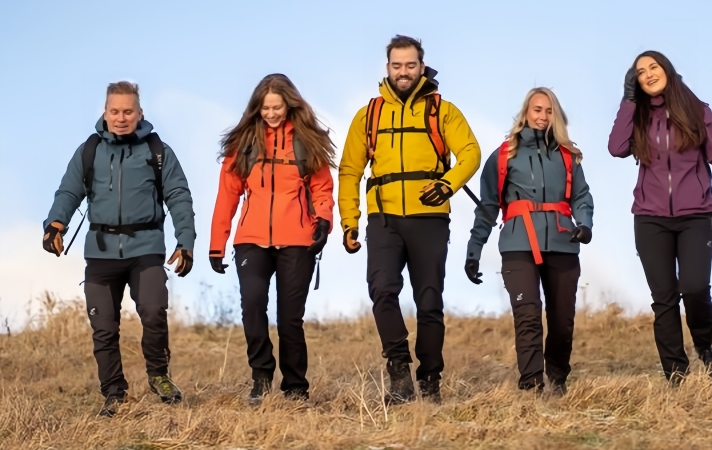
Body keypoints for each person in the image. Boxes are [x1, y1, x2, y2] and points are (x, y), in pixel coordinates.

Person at [338, 35, 481, 405]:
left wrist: (447, 186)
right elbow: (350, 170)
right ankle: (398, 368)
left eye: (410, 65)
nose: (403, 72)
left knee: (429, 299)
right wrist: (349, 221)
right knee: (382, 290)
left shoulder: (441, 110)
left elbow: (470, 152)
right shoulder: (368, 114)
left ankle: (430, 378)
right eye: (397, 65)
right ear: (387, 68)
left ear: (422, 66)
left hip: (430, 216)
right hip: (383, 217)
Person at [42, 81, 196, 417]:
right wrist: (55, 224)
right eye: (115, 111)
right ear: (105, 112)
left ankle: (159, 375)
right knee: (103, 325)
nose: (121, 118)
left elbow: (179, 197)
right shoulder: (90, 150)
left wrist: (186, 241)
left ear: (140, 113)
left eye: (128, 111)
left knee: (155, 312)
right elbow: (69, 192)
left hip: (147, 248)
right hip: (100, 251)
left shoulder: (158, 151)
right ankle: (114, 393)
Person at [608, 50, 712, 384]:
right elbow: (616, 147)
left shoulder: (697, 111)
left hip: (696, 216)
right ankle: (676, 373)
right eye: (640, 72)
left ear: (667, 69)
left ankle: (704, 348)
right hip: (649, 218)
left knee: (693, 288)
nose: (648, 74)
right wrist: (627, 100)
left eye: (653, 67)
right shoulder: (638, 116)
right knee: (663, 298)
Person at [210, 73, 336, 405]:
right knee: (252, 307)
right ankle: (261, 378)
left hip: (297, 239)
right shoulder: (244, 144)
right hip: (251, 239)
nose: (271, 114)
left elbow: (322, 189)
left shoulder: (307, 141)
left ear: (289, 104)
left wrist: (323, 222)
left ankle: (295, 387)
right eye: (265, 108)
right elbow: (227, 196)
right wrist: (216, 243)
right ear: (257, 107)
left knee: (290, 317)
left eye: (277, 107)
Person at [465, 87, 594, 397]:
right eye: (537, 110)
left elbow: (581, 196)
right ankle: (531, 384)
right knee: (527, 313)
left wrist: (585, 225)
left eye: (549, 111)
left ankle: (558, 378)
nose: (542, 116)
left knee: (562, 320)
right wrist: (474, 252)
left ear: (556, 116)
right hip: (517, 244)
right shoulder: (504, 155)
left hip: (563, 242)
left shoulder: (568, 156)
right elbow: (487, 206)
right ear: (526, 113)